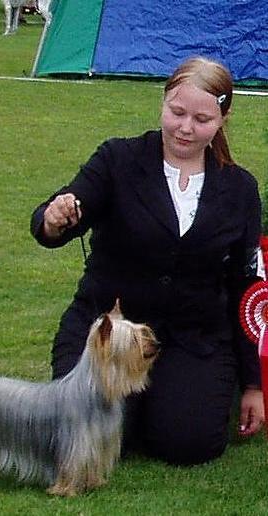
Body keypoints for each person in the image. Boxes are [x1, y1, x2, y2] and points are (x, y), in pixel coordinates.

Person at [30, 56, 265, 466]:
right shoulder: (118, 159)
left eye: (202, 119)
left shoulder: (240, 188)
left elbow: (247, 289)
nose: (186, 128)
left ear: (222, 120)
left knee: (188, 446)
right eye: (177, 113)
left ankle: (170, 398)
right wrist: (54, 218)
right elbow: (62, 215)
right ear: (163, 102)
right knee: (87, 436)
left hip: (193, 338)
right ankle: (135, 405)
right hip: (110, 332)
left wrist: (253, 385)